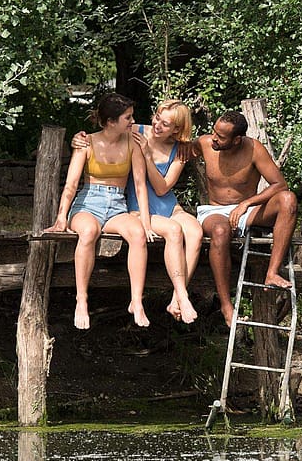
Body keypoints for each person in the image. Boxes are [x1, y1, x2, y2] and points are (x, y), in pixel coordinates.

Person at [73, 100, 203, 325]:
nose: (157, 125)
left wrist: (150, 155)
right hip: (139, 209)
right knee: (174, 231)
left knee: (196, 233)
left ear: (177, 129)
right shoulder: (136, 131)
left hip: (167, 206)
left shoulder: (180, 150)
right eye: (157, 118)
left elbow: (162, 188)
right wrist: (78, 137)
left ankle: (176, 298)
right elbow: (107, 128)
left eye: (166, 124)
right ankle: (182, 295)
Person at [46, 92, 155, 329]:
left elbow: (139, 185)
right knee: (88, 232)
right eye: (128, 118)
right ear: (110, 122)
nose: (132, 122)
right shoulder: (87, 143)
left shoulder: (133, 142)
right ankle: (81, 299)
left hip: (117, 205)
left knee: (137, 235)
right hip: (88, 202)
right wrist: (61, 217)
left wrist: (145, 222)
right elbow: (72, 184)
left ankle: (136, 301)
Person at [193, 110, 298, 326]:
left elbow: (280, 184)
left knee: (288, 199)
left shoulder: (253, 149)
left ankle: (272, 272)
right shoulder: (203, 143)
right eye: (214, 132)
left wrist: (246, 203)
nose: (214, 138)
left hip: (247, 210)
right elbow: (172, 149)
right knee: (221, 231)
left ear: (237, 139)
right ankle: (226, 305)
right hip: (214, 212)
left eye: (221, 137)